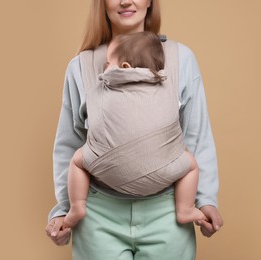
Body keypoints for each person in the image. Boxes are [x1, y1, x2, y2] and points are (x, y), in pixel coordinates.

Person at [45, 0, 223, 259]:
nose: (126, 0)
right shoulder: (80, 66)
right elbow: (69, 143)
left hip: (168, 213)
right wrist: (63, 211)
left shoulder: (180, 58)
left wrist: (206, 200)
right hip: (98, 218)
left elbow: (197, 135)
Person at [62, 31, 207, 230]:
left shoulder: (102, 86)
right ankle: (185, 209)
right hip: (163, 174)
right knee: (191, 164)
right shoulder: (167, 83)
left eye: (107, 64)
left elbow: (69, 139)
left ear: (125, 67)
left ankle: (77, 207)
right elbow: (194, 133)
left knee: (77, 161)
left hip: (106, 171)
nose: (105, 69)